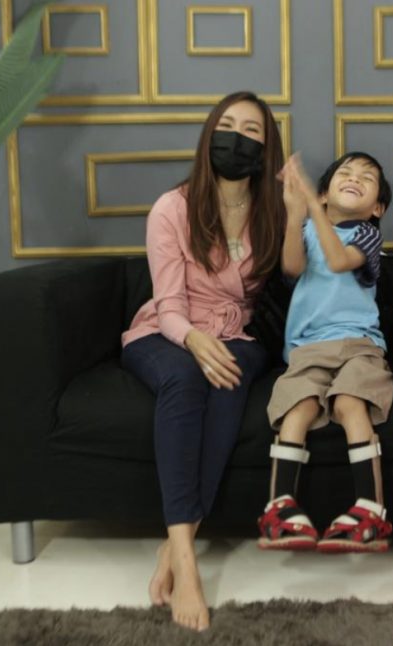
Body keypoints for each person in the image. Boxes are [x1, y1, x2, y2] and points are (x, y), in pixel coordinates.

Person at [120, 91, 285, 631]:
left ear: (265, 148)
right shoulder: (172, 208)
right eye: (228, 126)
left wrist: (304, 202)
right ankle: (187, 561)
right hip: (168, 328)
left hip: (239, 332)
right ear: (210, 133)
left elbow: (287, 279)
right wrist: (192, 340)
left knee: (229, 381)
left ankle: (174, 546)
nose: (238, 138)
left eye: (252, 131)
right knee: (185, 381)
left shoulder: (273, 211)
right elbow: (169, 305)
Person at [257, 152, 393, 553]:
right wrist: (294, 213)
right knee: (298, 407)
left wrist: (314, 212)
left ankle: (370, 510)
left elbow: (338, 261)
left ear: (377, 208)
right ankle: (280, 509)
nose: (355, 178)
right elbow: (292, 267)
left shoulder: (367, 235)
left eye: (367, 178)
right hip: (308, 348)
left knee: (350, 403)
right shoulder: (306, 228)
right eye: (345, 173)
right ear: (323, 194)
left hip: (359, 344)